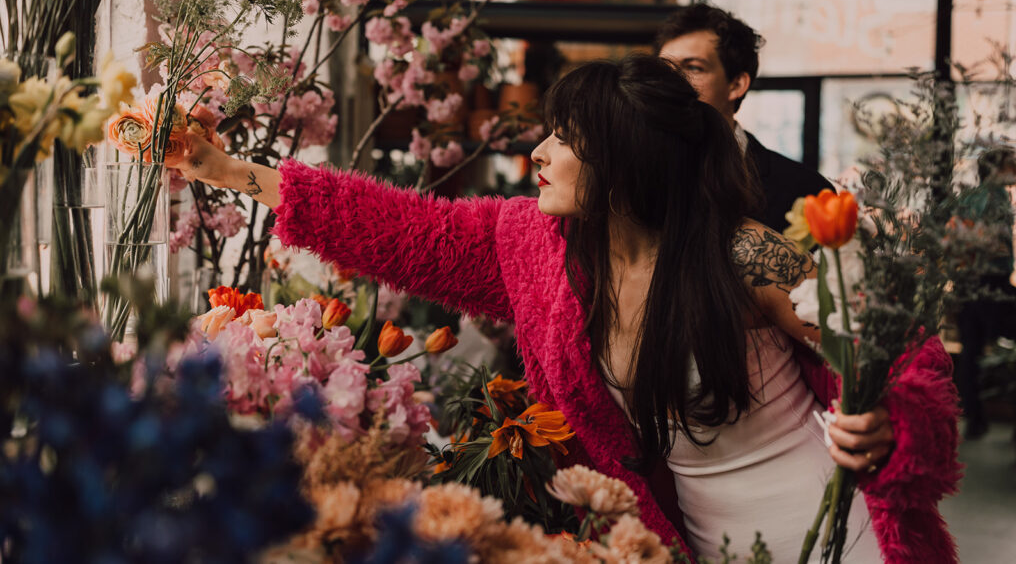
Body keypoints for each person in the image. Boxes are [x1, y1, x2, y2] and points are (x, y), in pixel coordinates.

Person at [171, 55, 959, 562]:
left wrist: (886, 419)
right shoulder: (536, 246)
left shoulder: (741, 250)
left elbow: (880, 344)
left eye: (563, 138)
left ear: (625, 162)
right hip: (694, 538)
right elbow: (394, 229)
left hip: (832, 527)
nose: (537, 153)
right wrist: (223, 167)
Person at [655, 3, 834, 233]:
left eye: (693, 67)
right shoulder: (637, 179)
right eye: (664, 69)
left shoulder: (804, 192)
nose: (672, 81)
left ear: (736, 84)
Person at [956, 147, 1016, 439]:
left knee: (971, 350)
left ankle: (975, 419)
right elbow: (989, 241)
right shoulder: (995, 198)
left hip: (969, 282)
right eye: (1012, 164)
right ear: (997, 170)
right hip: (992, 283)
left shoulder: (970, 197)